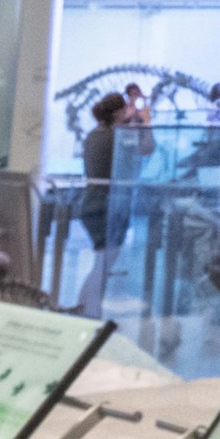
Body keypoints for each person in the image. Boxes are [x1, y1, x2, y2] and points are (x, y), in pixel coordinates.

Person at [74, 91, 129, 314]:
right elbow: (147, 149)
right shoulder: (116, 138)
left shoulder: (92, 136)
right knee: (104, 265)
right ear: (118, 113)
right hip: (107, 206)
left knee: (101, 263)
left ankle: (82, 309)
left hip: (91, 203)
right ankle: (89, 312)